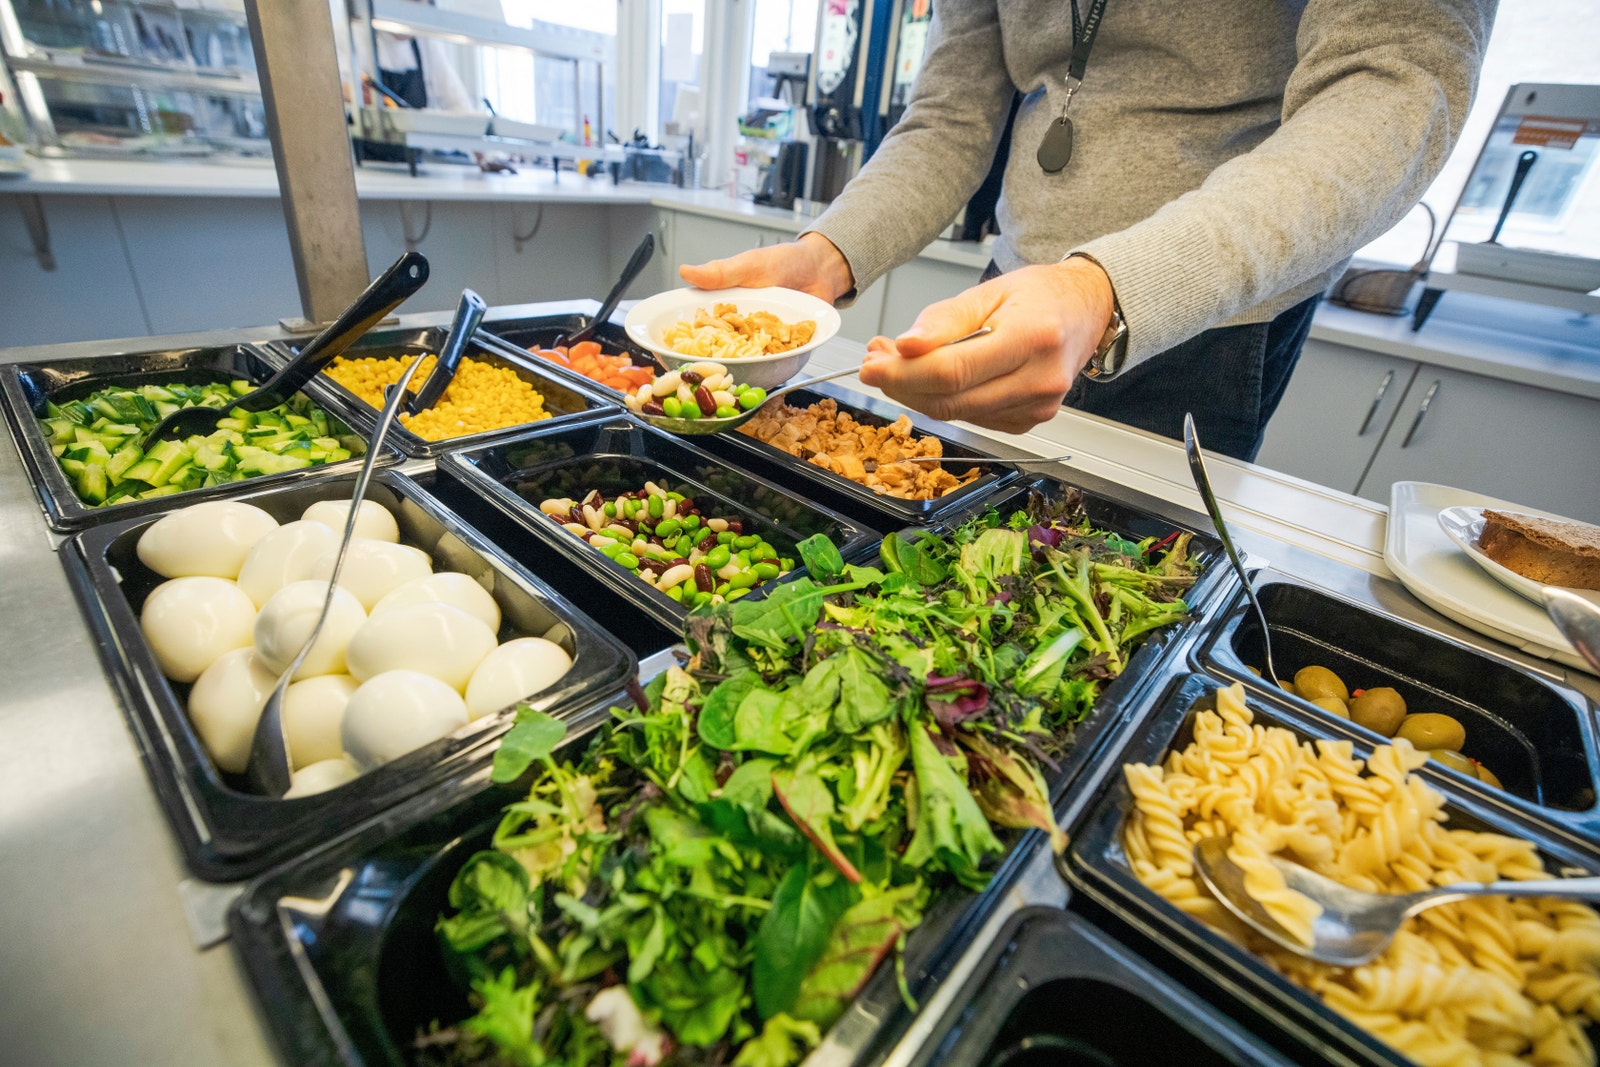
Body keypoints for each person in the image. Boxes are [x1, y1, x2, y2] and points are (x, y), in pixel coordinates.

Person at [680, 0, 1496, 459]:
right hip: (1010, 290)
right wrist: (828, 254)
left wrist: (1105, 288)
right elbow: (950, 116)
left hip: (1207, 322)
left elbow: (1394, 86)